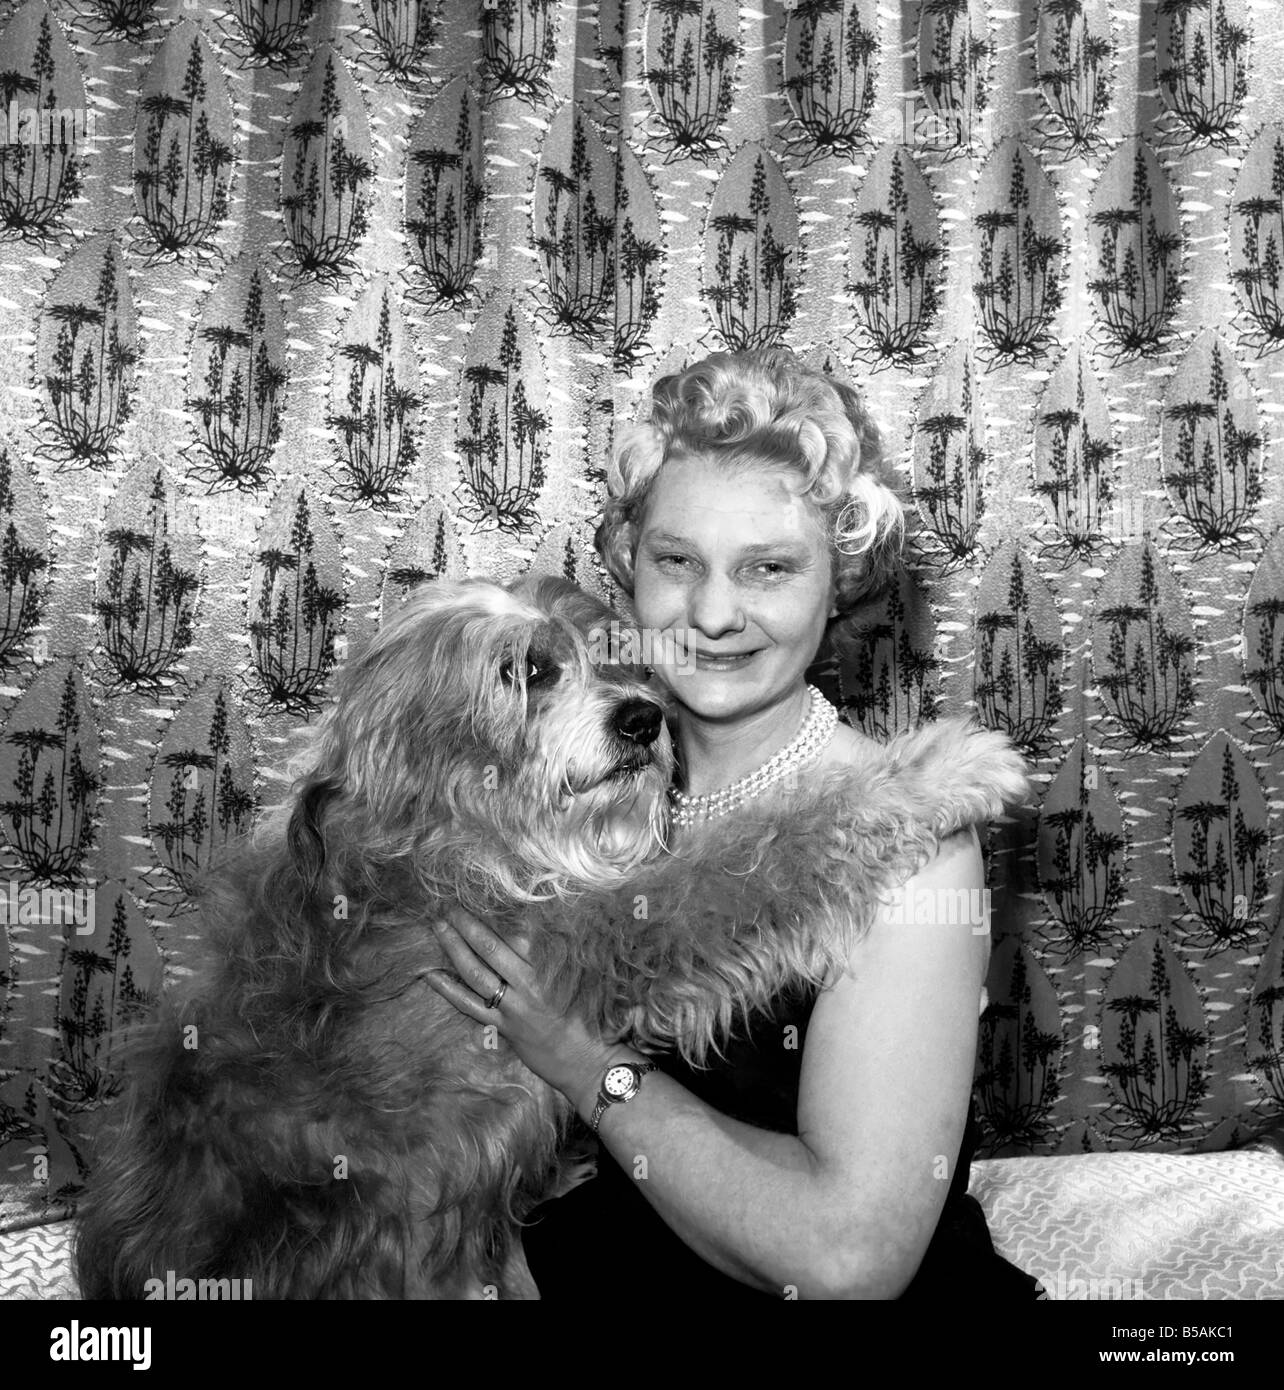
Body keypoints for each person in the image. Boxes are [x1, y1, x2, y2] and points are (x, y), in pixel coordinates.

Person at [427, 348, 1043, 1300]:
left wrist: (587, 1064)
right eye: (678, 561)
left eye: (769, 568)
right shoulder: (560, 788)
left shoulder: (909, 839)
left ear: (838, 580)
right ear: (627, 564)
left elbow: (849, 1259)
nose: (713, 614)